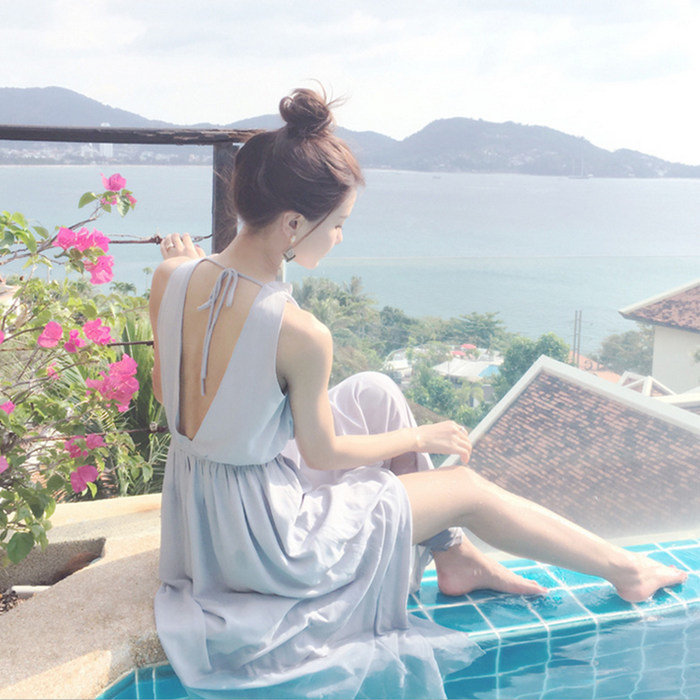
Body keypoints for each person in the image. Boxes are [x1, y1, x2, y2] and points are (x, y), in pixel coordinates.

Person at [149, 88, 686, 699]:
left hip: (202, 515)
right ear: (294, 223)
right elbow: (322, 454)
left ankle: (455, 558)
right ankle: (627, 570)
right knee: (465, 488)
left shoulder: (173, 274)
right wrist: (421, 435)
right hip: (267, 543)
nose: (340, 238)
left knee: (374, 391)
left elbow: (172, 391)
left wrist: (195, 267)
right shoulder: (300, 332)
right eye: (338, 225)